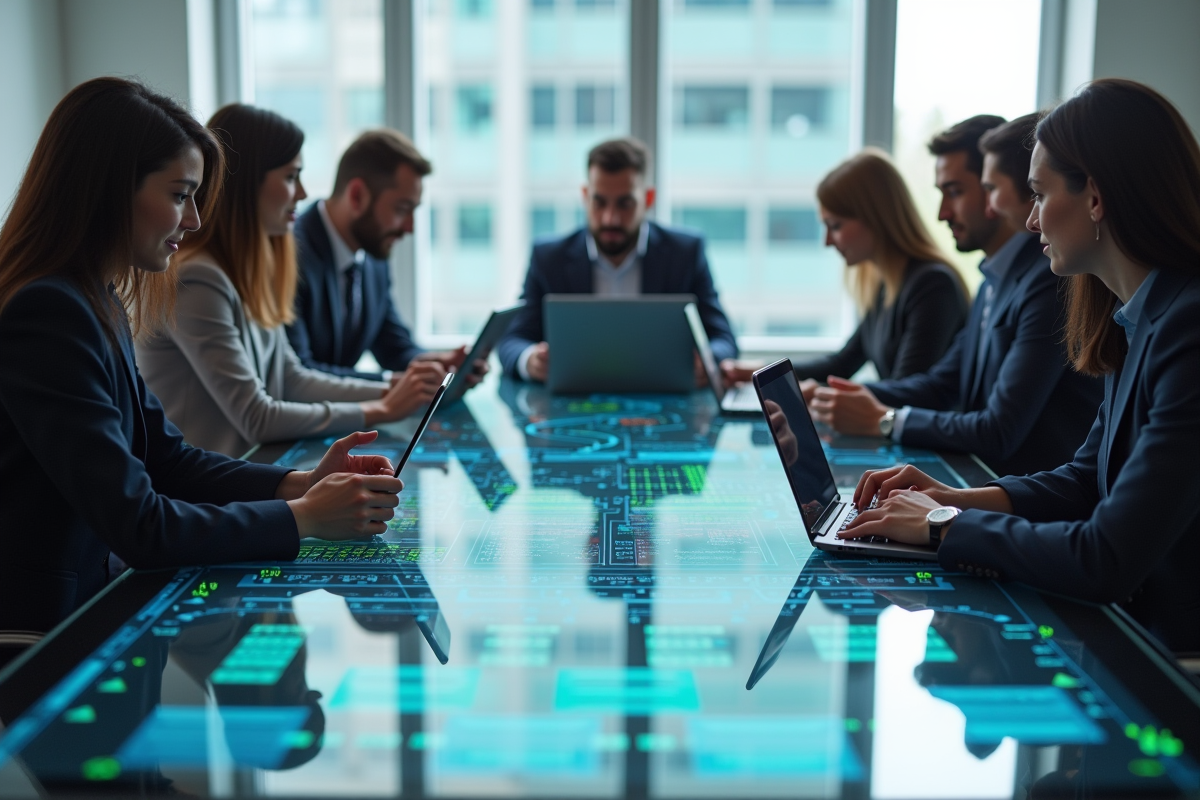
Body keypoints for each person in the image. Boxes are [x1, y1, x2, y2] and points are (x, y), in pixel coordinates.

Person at [0, 78, 403, 649]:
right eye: (179, 195)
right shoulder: (49, 310)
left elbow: (168, 460)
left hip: (88, 612)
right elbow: (140, 525)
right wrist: (304, 516)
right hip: (40, 637)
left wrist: (300, 484)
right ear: (110, 191)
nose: (192, 220)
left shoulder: (97, 299)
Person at [842, 79, 1200, 654]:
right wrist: (953, 497)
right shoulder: (1136, 316)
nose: (1031, 222)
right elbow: (1085, 479)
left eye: (1038, 194)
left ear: (1095, 197)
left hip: (1174, 656)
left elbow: (1105, 558)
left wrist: (941, 525)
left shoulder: (1188, 329)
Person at [136, 105, 445, 457]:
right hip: (204, 486)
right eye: (290, 177)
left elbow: (291, 379)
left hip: (248, 471)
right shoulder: (198, 279)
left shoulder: (247, 273)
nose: (302, 193)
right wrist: (382, 408)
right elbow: (257, 417)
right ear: (247, 182)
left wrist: (397, 389)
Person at [809, 115, 1102, 477]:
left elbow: (999, 431)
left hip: (1028, 496)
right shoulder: (994, 280)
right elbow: (941, 384)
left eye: (956, 191)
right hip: (990, 484)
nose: (942, 212)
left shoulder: (1051, 281)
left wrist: (885, 420)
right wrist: (836, 400)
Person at [722, 149, 969, 397]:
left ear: (875, 217)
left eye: (835, 226)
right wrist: (762, 373)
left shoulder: (933, 285)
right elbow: (841, 364)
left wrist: (818, 393)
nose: (827, 241)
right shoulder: (887, 284)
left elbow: (906, 391)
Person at [496, 137, 738, 382]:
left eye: (625, 204)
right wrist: (530, 360)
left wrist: (706, 361)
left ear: (648, 199)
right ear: (585, 196)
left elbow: (723, 339)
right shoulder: (549, 257)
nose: (610, 218)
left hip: (662, 395)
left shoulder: (685, 253)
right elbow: (512, 341)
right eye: (599, 202)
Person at [288, 130, 484, 385]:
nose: (409, 228)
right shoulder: (289, 257)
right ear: (357, 196)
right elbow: (300, 374)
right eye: (402, 209)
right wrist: (396, 383)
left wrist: (439, 365)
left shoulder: (372, 257)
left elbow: (394, 348)